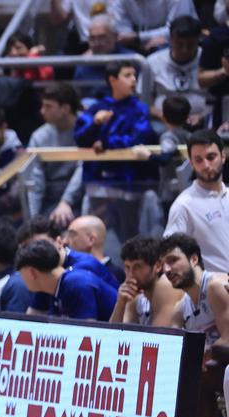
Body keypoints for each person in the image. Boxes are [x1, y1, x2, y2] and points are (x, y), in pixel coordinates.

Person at [159, 233, 229, 417]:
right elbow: (173, 350)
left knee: (201, 376)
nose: (167, 269)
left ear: (194, 258)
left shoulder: (216, 286)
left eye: (173, 261)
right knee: (185, 379)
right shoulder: (181, 308)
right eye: (163, 264)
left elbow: (228, 344)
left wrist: (200, 355)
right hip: (215, 371)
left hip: (224, 367)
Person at [74, 59, 160, 259]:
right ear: (112, 79)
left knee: (129, 238)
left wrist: (106, 143)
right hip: (98, 184)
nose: (133, 80)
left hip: (128, 185)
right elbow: (80, 138)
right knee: (94, 238)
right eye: (128, 75)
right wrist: (95, 123)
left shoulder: (139, 109)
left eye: (135, 76)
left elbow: (138, 137)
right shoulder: (97, 108)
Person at [164, 130, 229, 273]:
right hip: (213, 291)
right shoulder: (184, 205)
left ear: (223, 156)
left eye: (211, 157)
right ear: (191, 163)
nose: (206, 165)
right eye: (198, 160)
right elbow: (170, 255)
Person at [15, 238, 118, 321]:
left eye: (21, 273)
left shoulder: (76, 283)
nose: (21, 278)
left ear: (32, 272)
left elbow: (86, 336)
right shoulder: (53, 286)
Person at [26, 82, 83, 223]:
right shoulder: (39, 136)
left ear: (65, 109)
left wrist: (66, 201)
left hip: (82, 194)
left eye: (48, 106)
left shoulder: (87, 129)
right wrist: (33, 220)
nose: (42, 111)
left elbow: (84, 169)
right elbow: (35, 180)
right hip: (50, 196)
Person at [144, 15, 205, 124]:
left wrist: (202, 116)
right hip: (162, 121)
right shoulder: (152, 62)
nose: (184, 50)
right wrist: (161, 115)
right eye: (179, 44)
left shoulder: (208, 59)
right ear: (171, 39)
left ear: (198, 40)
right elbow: (143, 102)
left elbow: (218, 101)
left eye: (190, 45)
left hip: (202, 122)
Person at [109, 235, 181, 327]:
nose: (130, 274)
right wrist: (120, 304)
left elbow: (160, 337)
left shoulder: (166, 284)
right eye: (127, 267)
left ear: (158, 266)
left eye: (137, 267)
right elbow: (113, 337)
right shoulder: (135, 297)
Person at [64, 215, 126, 285]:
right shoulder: (70, 270)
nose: (66, 241)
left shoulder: (115, 275)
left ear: (91, 239)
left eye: (72, 235)